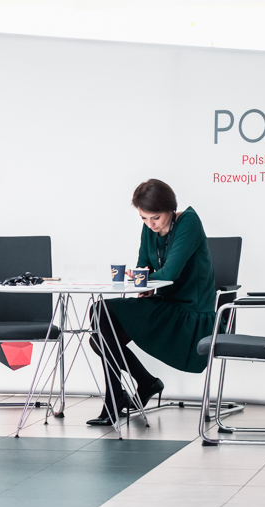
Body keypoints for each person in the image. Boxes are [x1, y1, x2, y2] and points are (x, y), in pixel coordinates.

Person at [87, 179, 216, 426]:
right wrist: (142, 284)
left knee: (102, 328)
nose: (150, 224)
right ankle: (128, 390)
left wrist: (147, 280)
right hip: (165, 304)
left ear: (170, 209)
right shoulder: (150, 228)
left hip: (190, 315)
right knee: (100, 329)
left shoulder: (188, 221)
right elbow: (144, 266)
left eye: (155, 217)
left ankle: (134, 389)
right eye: (144, 218)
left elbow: (170, 273)